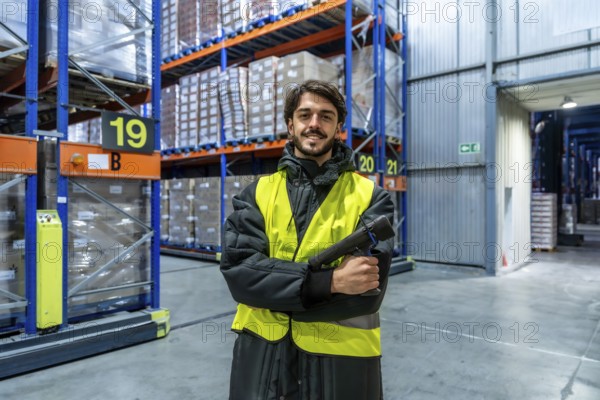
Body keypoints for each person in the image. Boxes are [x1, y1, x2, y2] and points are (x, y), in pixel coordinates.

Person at [220, 80, 394, 399]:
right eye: (305, 115)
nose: (315, 124)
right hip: (263, 364)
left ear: (339, 127)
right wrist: (329, 282)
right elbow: (239, 274)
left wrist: (274, 292)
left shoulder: (372, 198)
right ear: (291, 125)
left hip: (341, 368)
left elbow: (367, 290)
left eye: (326, 116)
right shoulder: (254, 195)